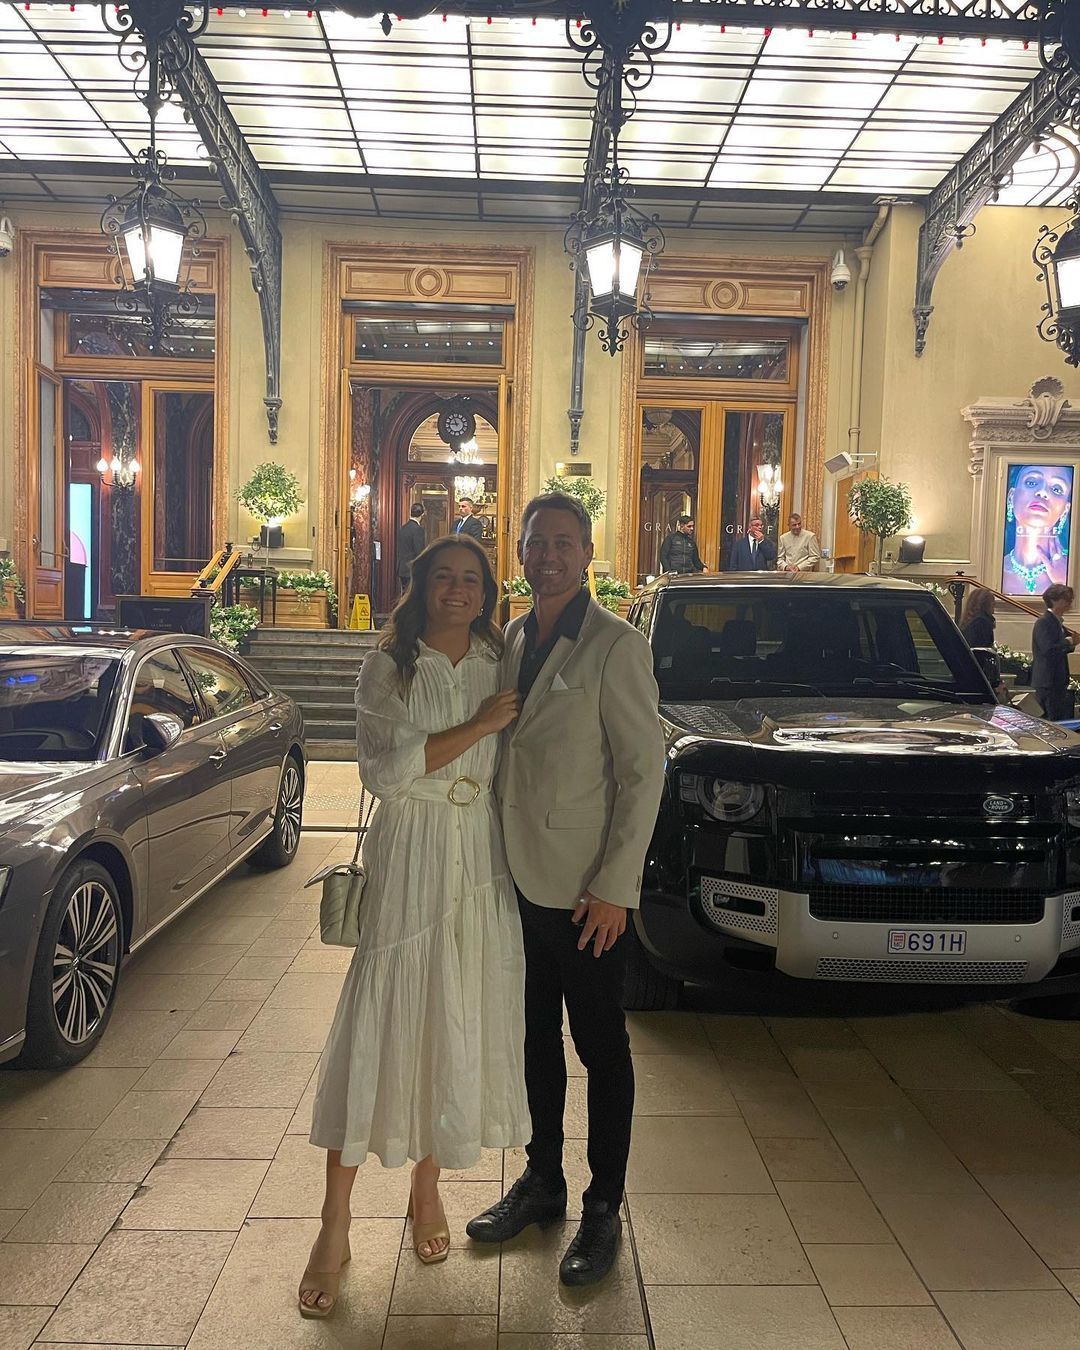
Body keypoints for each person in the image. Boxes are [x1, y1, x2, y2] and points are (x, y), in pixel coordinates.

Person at [300, 535, 530, 1319]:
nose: (457, 589)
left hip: (480, 853)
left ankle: (426, 1191)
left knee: (452, 1013)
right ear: (421, 585)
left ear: (488, 591)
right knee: (383, 1014)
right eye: (444, 577)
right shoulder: (388, 666)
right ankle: (334, 1223)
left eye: (471, 579)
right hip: (411, 850)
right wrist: (480, 725)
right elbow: (383, 770)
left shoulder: (503, 658)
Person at [466, 492, 665, 1288]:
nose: (546, 556)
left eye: (562, 543)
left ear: (587, 553)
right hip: (516, 879)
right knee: (532, 1041)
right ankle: (542, 1180)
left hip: (586, 895)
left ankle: (603, 1205)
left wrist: (616, 886)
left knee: (601, 1046)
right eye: (535, 543)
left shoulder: (616, 645)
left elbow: (643, 773)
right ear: (518, 552)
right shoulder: (514, 636)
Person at [1002, 464, 1072, 596]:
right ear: (1011, 497)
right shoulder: (994, 569)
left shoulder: (1073, 570)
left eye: (1056, 489)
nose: (1042, 492)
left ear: (1065, 510)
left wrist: (1064, 583)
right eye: (1031, 482)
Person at [1032, 583, 1079, 720]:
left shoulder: (1057, 622)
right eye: (1066, 599)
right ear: (1053, 600)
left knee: (1057, 718)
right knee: (1049, 721)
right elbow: (1047, 649)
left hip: (1056, 681)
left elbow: (1058, 648)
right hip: (1047, 682)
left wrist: (1072, 643)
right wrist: (1069, 642)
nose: (1069, 603)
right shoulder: (1044, 622)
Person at [396, 501, 426, 594]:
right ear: (422, 514)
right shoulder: (418, 529)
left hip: (402, 568)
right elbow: (419, 551)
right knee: (413, 595)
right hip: (412, 569)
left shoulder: (403, 528)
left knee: (405, 594)